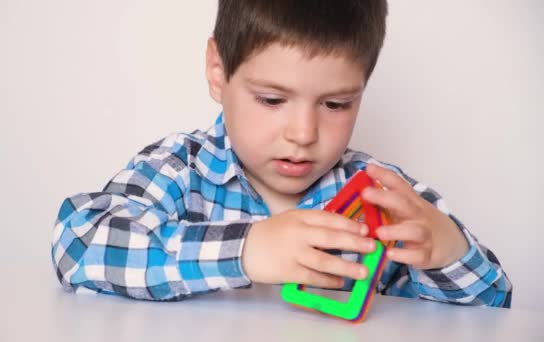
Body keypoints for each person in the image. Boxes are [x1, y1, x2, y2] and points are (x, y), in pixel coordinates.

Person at [51, 0, 512, 307]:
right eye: (272, 100)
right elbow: (78, 242)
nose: (304, 133)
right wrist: (248, 248)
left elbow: (497, 308)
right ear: (217, 71)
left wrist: (449, 251)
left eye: (336, 104)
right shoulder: (180, 168)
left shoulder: (382, 195)